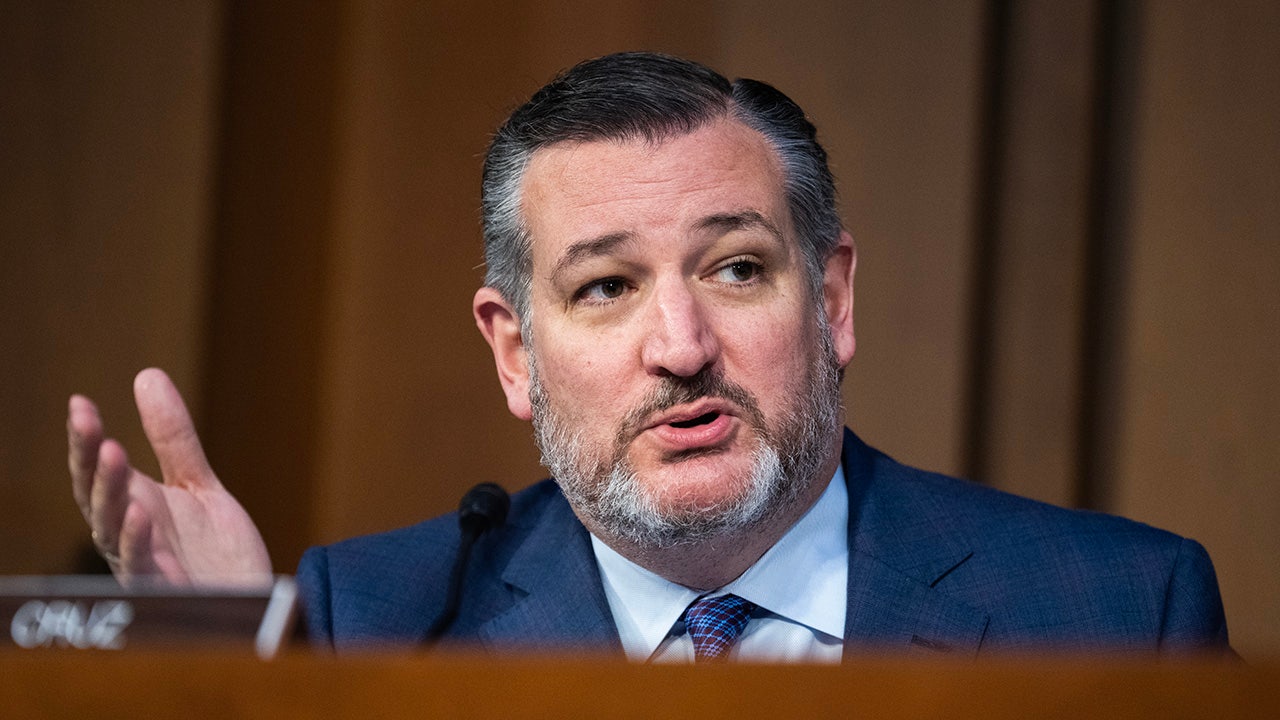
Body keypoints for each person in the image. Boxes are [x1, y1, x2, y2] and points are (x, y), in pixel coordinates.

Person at [66, 52, 1230, 662]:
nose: (679, 349)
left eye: (735, 270)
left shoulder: (1118, 611)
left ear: (828, 300)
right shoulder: (366, 623)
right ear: (514, 352)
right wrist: (209, 675)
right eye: (606, 287)